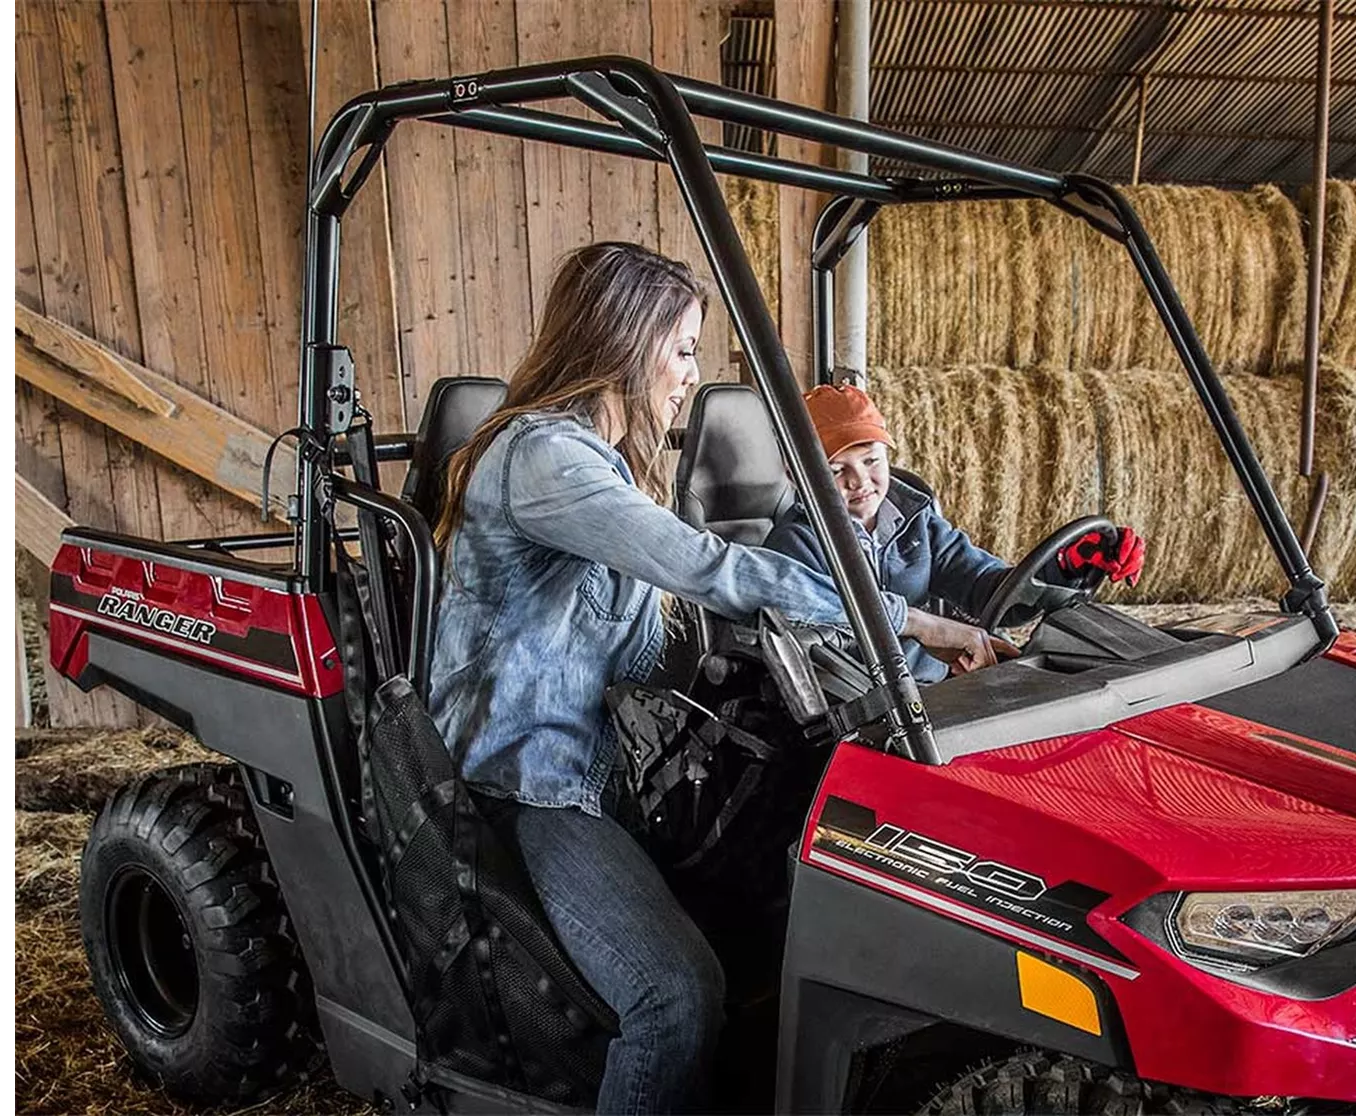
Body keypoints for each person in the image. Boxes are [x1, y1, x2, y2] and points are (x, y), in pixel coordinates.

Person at [423, 242, 1003, 1114]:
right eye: (686, 348)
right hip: (525, 785)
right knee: (675, 997)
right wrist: (910, 619)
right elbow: (707, 567)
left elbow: (651, 643)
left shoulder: (608, 464)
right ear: (626, 338)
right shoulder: (543, 458)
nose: (694, 373)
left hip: (600, 765)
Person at [762, 382, 1146, 684]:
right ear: (798, 477)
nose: (859, 481)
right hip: (868, 708)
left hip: (940, 692)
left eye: (871, 460)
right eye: (835, 470)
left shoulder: (915, 520)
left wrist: (1064, 567)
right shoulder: (795, 546)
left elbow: (983, 583)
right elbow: (818, 640)